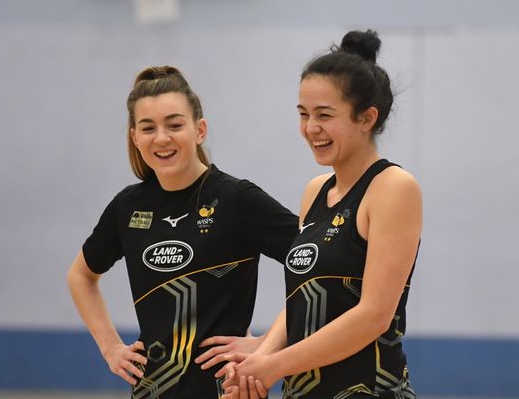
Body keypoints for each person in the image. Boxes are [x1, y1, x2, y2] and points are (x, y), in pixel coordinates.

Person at [66, 66, 298, 398]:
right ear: (135, 137)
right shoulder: (127, 207)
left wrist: (266, 346)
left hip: (228, 390)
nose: (162, 138)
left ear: (199, 129)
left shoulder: (236, 199)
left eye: (175, 125)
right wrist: (111, 348)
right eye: (148, 128)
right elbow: (80, 276)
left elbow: (320, 268)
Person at [216, 30, 423, 398]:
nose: (311, 128)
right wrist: (254, 366)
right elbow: (302, 297)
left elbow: (373, 316)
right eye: (303, 114)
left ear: (367, 117)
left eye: (324, 115)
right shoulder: (315, 191)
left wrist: (272, 366)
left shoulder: (394, 188)